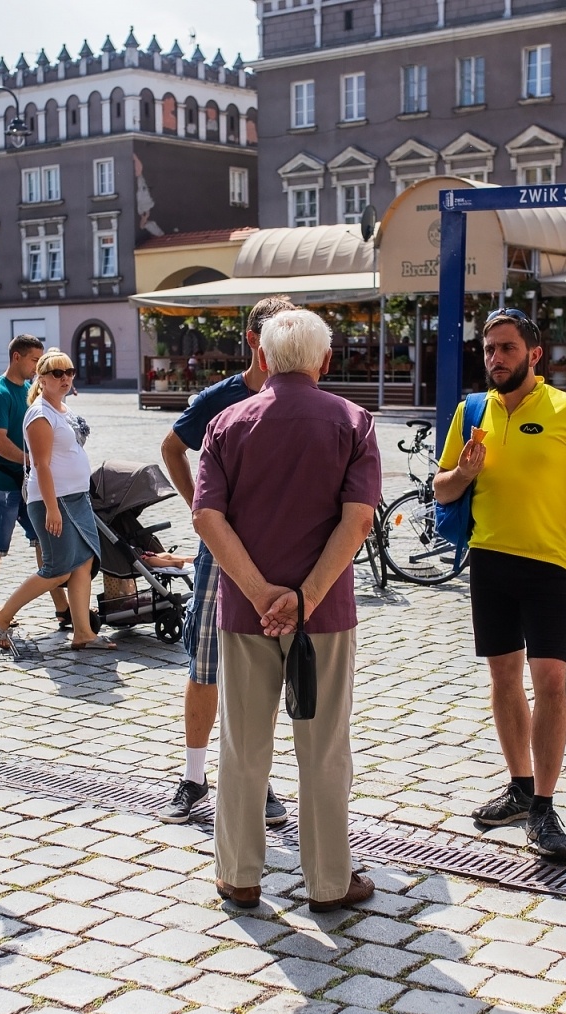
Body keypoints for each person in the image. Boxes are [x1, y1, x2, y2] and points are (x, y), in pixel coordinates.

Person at [194, 308, 381, 912]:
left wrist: (258, 594)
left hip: (246, 615)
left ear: (266, 358)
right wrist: (303, 599)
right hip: (323, 616)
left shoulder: (227, 423)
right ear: (325, 361)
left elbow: (206, 517)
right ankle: (330, 880)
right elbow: (357, 521)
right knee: (324, 747)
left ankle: (240, 873)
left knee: (243, 747)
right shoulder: (353, 421)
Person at [433, 307, 566, 862]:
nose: (495, 359)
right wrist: (464, 472)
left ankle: (544, 808)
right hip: (489, 564)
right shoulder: (473, 410)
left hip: (548, 567)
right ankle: (518, 787)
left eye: (507, 348)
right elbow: (441, 490)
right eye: (488, 350)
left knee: (551, 683)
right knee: (504, 679)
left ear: (534, 354)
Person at [157, 295, 294, 828]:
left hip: (278, 550)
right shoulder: (222, 397)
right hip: (222, 550)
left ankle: (254, 777)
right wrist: (201, 507)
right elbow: (171, 446)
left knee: (264, 671)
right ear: (254, 342)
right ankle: (193, 779)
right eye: (273, 339)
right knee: (207, 664)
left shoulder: (299, 394)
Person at [0, 350, 114, 653]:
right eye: (57, 373)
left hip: (76, 497)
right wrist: (52, 509)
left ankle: (83, 632)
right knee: (57, 569)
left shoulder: (62, 409)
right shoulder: (40, 414)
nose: (65, 377)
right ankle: (1, 617)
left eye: (69, 372)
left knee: (83, 563)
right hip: (52, 500)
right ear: (41, 378)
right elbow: (41, 465)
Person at [0, 335, 71, 633]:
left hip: (30, 483)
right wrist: (30, 459)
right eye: (34, 360)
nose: (37, 367)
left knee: (43, 542)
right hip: (4, 482)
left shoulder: (31, 390)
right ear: (17, 357)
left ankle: (62, 607)